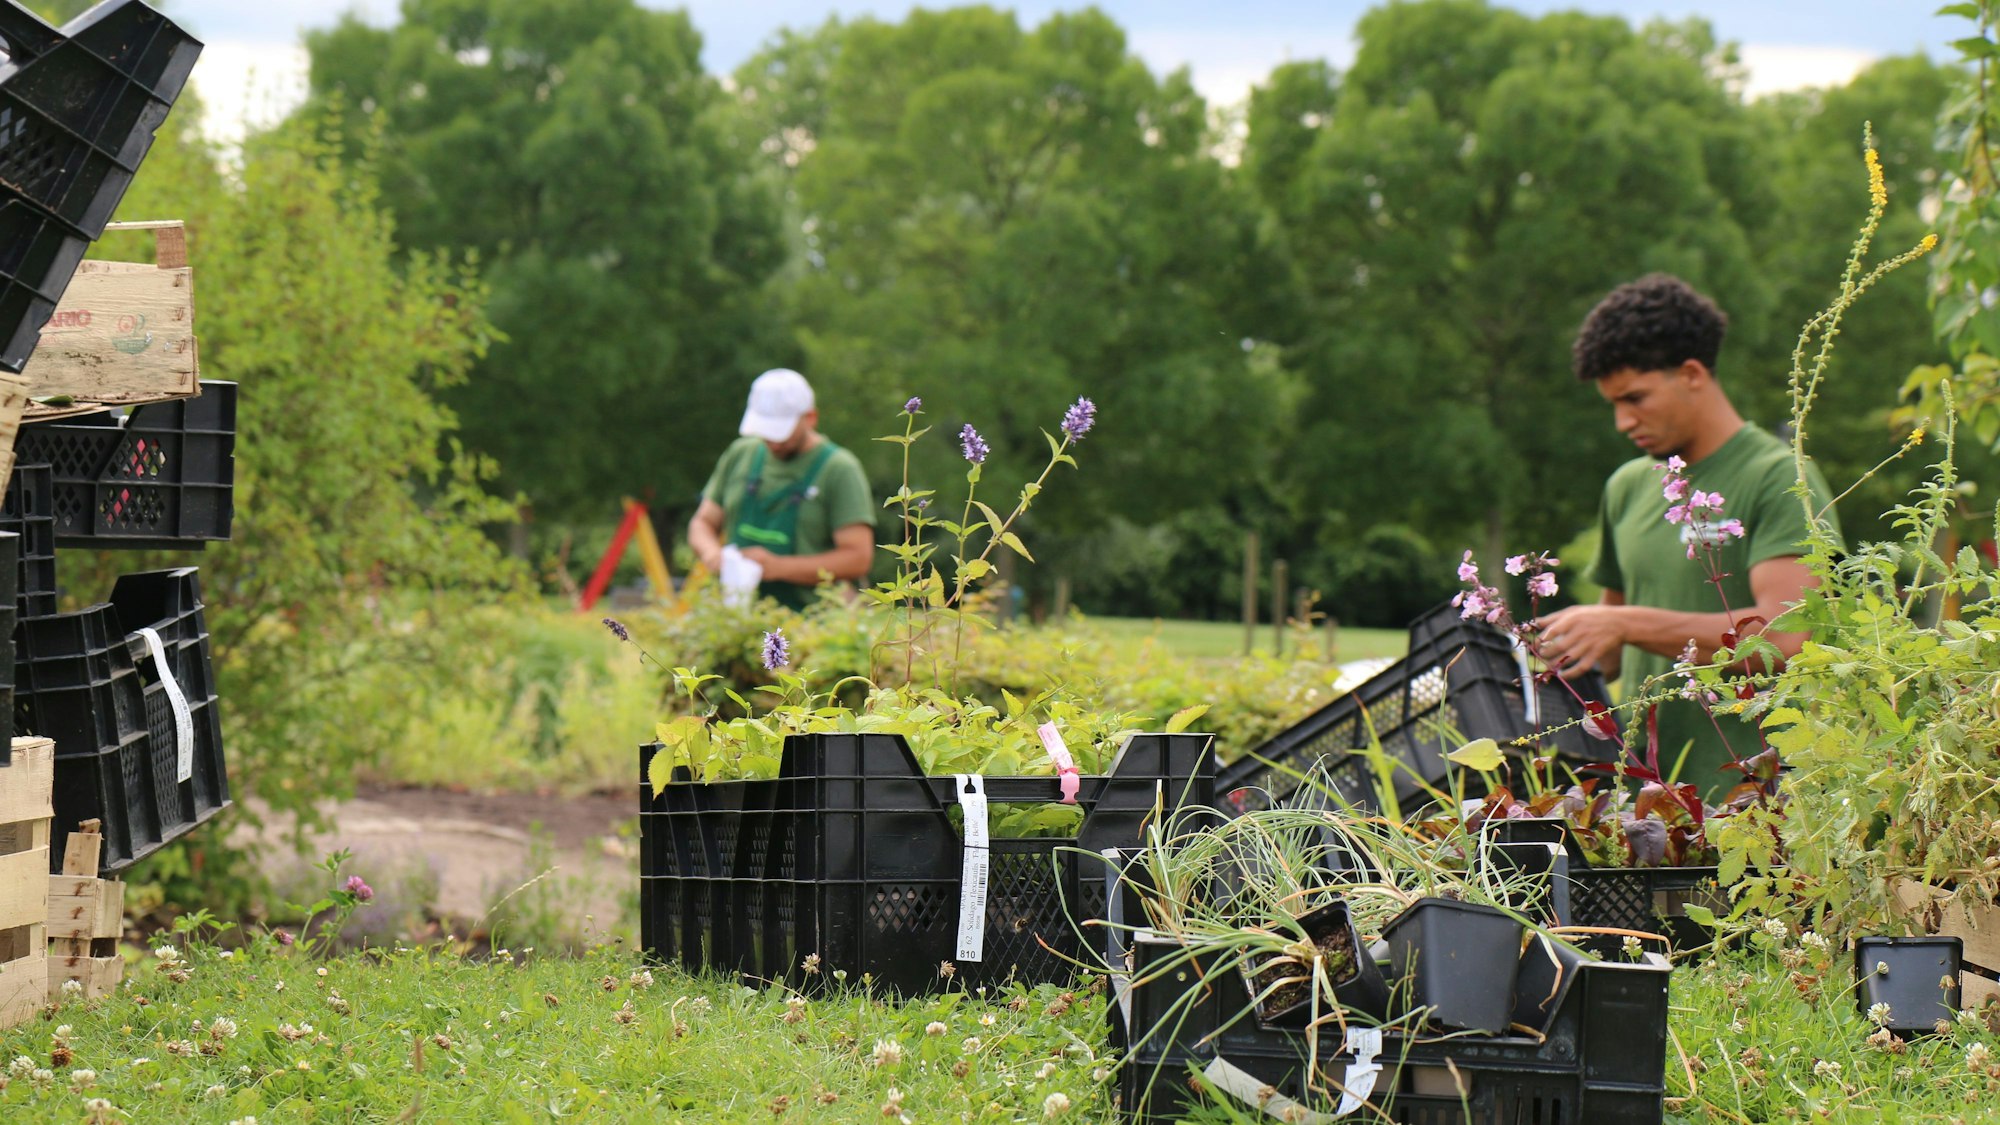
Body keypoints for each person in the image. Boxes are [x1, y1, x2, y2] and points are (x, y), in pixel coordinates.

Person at [1535, 274, 1843, 800]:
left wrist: (1625, 623)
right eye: (1612, 403)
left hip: (1757, 806)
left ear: (1692, 373)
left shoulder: (1780, 477)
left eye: (1635, 398)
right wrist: (1548, 647)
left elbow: (1788, 641)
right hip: (1649, 806)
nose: (1621, 421)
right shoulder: (1628, 486)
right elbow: (1611, 652)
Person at [686, 369, 876, 609]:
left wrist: (777, 567)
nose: (773, 442)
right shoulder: (741, 455)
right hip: (737, 617)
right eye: (766, 431)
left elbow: (858, 558)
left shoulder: (839, 470)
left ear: (811, 418)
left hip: (814, 623)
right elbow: (701, 523)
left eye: (781, 432)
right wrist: (713, 555)